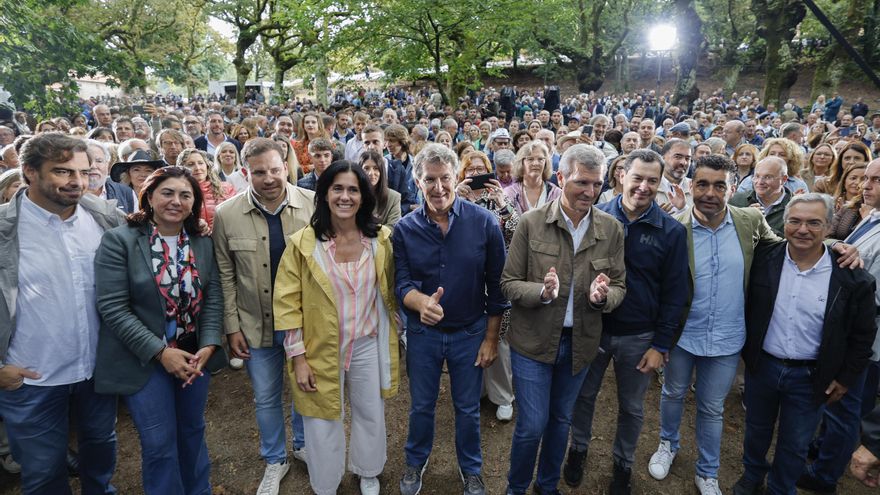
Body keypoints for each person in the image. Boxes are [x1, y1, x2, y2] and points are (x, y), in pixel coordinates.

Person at [0, 133, 121, 495]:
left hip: (97, 372)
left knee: (100, 454)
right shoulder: (5, 230)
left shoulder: (104, 218)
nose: (78, 182)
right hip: (31, 379)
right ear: (29, 172)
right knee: (42, 474)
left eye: (84, 172)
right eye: (63, 172)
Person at [501, 143, 626, 495]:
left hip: (580, 344)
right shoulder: (531, 223)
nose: (590, 192)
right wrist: (541, 292)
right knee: (532, 425)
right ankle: (516, 487)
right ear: (560, 177)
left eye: (597, 184)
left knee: (560, 421)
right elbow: (508, 283)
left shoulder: (611, 229)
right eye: (581, 183)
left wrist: (604, 298)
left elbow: (619, 285)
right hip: (533, 343)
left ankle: (546, 485)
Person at [94, 165, 226, 495]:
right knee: (158, 442)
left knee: (193, 431)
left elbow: (212, 296)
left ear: (194, 202)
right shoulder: (119, 241)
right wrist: (159, 351)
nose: (176, 201)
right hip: (144, 359)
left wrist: (209, 343)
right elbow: (112, 306)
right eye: (167, 193)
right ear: (149, 196)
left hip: (193, 354)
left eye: (185, 195)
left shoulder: (201, 241)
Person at [564, 149, 689, 495]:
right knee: (583, 396)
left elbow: (676, 293)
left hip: (639, 335)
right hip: (593, 328)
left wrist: (661, 345)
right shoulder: (595, 215)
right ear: (621, 175)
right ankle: (578, 448)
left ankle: (623, 462)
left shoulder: (671, 232)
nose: (644, 186)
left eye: (653, 180)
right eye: (638, 178)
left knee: (632, 407)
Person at [734, 193, 876, 495]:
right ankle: (752, 475)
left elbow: (863, 336)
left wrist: (846, 378)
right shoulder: (764, 258)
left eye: (814, 223)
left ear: (828, 227)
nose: (803, 229)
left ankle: (780, 488)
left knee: (795, 442)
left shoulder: (853, 278)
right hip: (763, 368)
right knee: (756, 431)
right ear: (784, 224)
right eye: (795, 221)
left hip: (810, 377)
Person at [273, 161, 400, 495]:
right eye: (338, 188)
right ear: (325, 193)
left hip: (367, 342)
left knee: (370, 410)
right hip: (318, 346)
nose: (345, 196)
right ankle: (325, 482)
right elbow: (288, 303)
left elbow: (392, 290)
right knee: (321, 417)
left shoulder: (381, 240)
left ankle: (368, 469)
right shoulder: (303, 244)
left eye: (353, 190)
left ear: (365, 196)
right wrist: (298, 357)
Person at [394, 143, 507, 495]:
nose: (439, 187)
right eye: (430, 179)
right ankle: (416, 462)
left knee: (468, 408)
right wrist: (419, 301)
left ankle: (471, 470)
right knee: (422, 406)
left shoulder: (485, 222)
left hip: (470, 333)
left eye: (445, 178)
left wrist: (490, 339)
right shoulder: (404, 229)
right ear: (417, 180)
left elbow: (497, 286)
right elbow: (401, 283)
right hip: (424, 334)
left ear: (455, 177)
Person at [212, 138, 314, 495]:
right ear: (245, 173)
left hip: (305, 324)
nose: (269, 178)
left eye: (274, 169)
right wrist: (231, 326)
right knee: (266, 395)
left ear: (286, 166)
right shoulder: (226, 214)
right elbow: (224, 274)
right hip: (255, 324)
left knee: (305, 390)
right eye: (259, 172)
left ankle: (303, 445)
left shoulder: (313, 205)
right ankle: (275, 458)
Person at [801, 158, 880, 494]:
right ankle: (823, 451)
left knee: (845, 405)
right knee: (837, 404)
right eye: (866, 178)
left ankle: (824, 475)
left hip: (863, 336)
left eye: (876, 179)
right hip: (846, 328)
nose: (866, 184)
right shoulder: (870, 216)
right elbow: (839, 246)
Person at [730, 157, 793, 236]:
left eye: (767, 177)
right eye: (757, 176)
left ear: (784, 179)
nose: (759, 182)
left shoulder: (795, 206)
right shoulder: (735, 200)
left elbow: (791, 242)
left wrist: (760, 223)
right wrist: (743, 221)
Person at [177, 148, 235, 231]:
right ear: (182, 168)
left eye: (200, 163)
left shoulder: (226, 188)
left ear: (207, 166)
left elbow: (237, 216)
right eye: (190, 164)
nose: (197, 168)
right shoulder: (178, 193)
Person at [502, 141, 562, 215]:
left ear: (546, 163)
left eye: (540, 159)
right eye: (530, 159)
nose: (536, 163)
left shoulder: (556, 193)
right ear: (521, 163)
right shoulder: (510, 193)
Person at [359, 150, 401, 228]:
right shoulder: (354, 196)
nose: (371, 173)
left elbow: (393, 228)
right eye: (366, 168)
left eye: (376, 168)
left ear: (381, 171)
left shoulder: (394, 197)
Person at [828, 162, 869, 240]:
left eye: (864, 179)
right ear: (844, 180)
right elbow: (827, 236)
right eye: (853, 178)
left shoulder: (873, 208)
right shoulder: (843, 207)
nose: (857, 182)